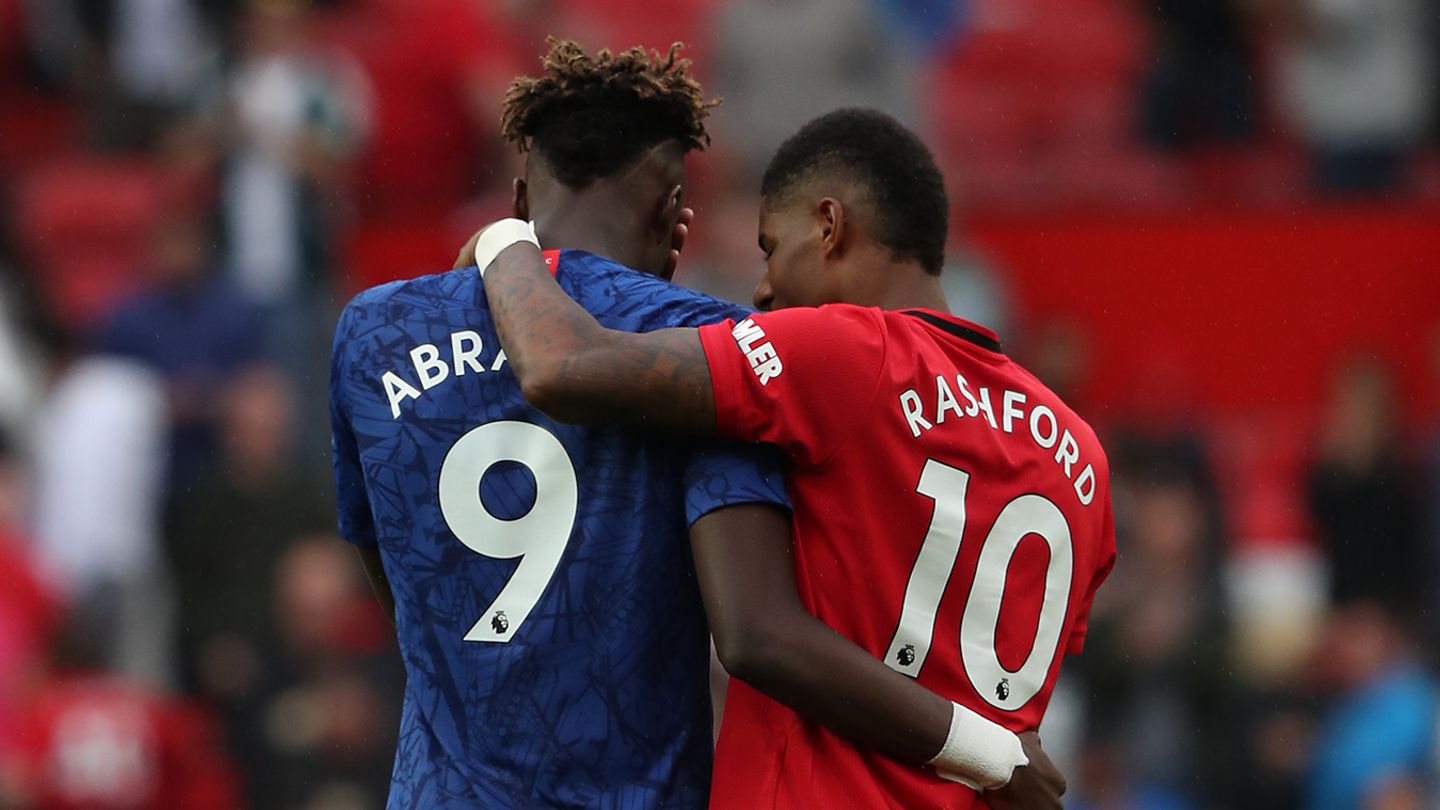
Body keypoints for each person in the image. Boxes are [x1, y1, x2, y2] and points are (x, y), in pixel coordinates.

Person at [332, 41, 1059, 809]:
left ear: (519, 201)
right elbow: (755, 628)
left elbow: (400, 586)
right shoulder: (712, 344)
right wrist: (985, 750)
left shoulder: (370, 331)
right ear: (672, 214)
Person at [471, 106, 1115, 808]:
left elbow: (562, 367)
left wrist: (506, 244)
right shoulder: (1080, 453)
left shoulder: (847, 354)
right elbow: (1018, 726)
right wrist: (987, 753)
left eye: (771, 247)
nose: (763, 288)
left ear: (829, 226)